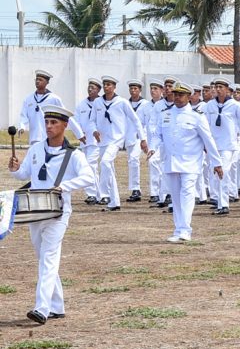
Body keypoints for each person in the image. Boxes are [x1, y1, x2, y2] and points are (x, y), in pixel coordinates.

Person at [9, 105, 96, 325]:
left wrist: (66, 186)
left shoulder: (74, 155)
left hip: (58, 212)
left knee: (48, 257)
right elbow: (24, 174)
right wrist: (15, 168)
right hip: (35, 212)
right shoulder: (37, 149)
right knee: (44, 258)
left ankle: (42, 308)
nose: (48, 126)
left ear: (65, 126)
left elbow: (89, 177)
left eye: (54, 123)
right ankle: (57, 306)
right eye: (46, 122)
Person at [151, 82, 223, 243]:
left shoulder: (197, 116)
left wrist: (216, 163)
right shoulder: (165, 115)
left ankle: (185, 230)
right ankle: (178, 230)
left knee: (187, 194)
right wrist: (152, 147)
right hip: (171, 161)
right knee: (175, 197)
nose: (177, 97)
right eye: (175, 94)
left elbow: (208, 140)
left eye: (181, 94)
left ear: (189, 96)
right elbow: (157, 135)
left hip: (190, 162)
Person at [92, 76, 148, 212]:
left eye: (109, 84)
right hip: (102, 140)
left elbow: (135, 120)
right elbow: (91, 120)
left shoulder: (121, 102)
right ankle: (114, 201)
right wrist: (94, 130)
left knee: (105, 162)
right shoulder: (97, 102)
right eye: (105, 84)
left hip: (116, 139)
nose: (106, 87)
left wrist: (143, 138)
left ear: (114, 87)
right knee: (108, 167)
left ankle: (103, 193)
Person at [204, 77, 240, 215]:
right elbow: (205, 125)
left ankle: (224, 204)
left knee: (224, 173)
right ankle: (218, 201)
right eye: (216, 87)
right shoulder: (209, 105)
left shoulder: (235, 105)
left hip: (229, 145)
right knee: (214, 174)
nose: (218, 90)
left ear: (227, 90)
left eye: (221, 87)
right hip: (214, 145)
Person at [18, 70, 66, 145]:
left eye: (40, 80)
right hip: (34, 137)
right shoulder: (28, 99)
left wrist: (79, 133)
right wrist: (22, 127)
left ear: (47, 82)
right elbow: (24, 115)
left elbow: (65, 115)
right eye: (36, 79)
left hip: (48, 137)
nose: (37, 81)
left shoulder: (54, 98)